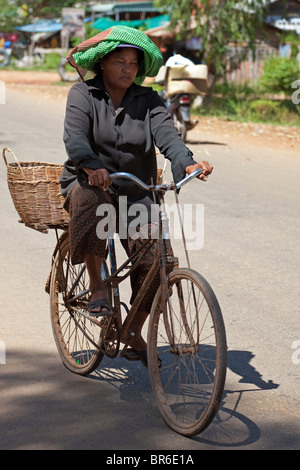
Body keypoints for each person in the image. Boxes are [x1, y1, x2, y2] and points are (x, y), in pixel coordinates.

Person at [60, 25, 213, 366]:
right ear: (102, 63)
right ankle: (98, 286)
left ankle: (132, 330)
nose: (128, 69)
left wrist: (186, 165)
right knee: (91, 200)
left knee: (158, 261)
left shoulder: (150, 100)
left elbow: (169, 138)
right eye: (119, 61)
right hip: (89, 183)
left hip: (135, 190)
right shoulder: (82, 94)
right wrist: (90, 166)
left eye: (133, 62)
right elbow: (75, 139)